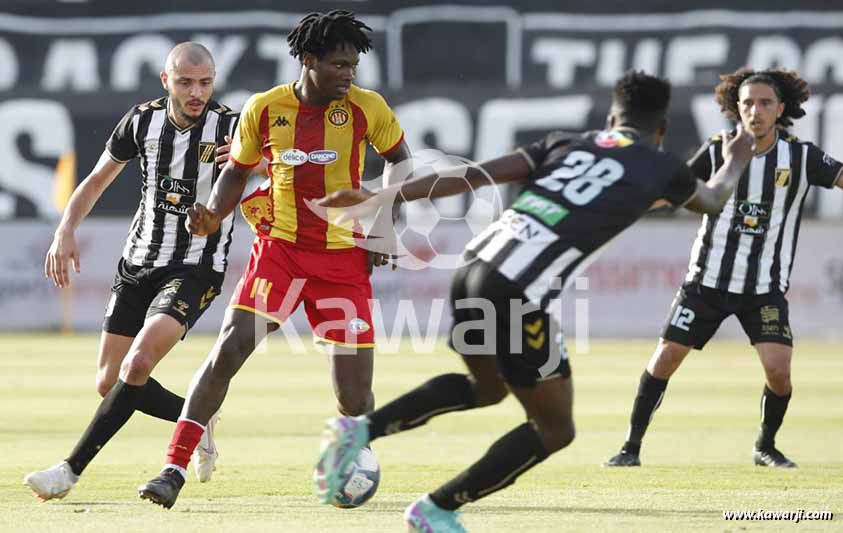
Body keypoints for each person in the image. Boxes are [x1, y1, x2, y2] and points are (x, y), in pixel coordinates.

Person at [311, 71, 755, 532]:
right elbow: (714, 197)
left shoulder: (568, 144)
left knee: (486, 389)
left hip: (472, 270)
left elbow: (474, 175)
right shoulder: (661, 166)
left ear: (610, 118)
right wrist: (736, 157)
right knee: (555, 428)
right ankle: (436, 509)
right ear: (660, 131)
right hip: (518, 291)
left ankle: (358, 430)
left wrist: (380, 193)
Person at [138, 10, 410, 509]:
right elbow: (236, 172)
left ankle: (353, 457)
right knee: (227, 351)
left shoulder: (368, 108)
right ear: (309, 60)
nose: (348, 75)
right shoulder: (265, 108)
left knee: (354, 398)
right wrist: (214, 214)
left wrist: (387, 227)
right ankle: (173, 468)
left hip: (343, 262)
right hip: (279, 252)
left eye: (353, 66)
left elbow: (401, 162)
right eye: (339, 65)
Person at [23, 43, 243, 501]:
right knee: (109, 381)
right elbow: (98, 179)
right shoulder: (142, 120)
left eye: (204, 82)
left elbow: (263, 179)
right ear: (166, 81)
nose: (196, 92)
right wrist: (65, 230)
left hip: (196, 266)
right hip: (138, 262)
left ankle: (68, 471)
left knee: (137, 362)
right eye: (185, 82)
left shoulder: (232, 128)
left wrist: (252, 167)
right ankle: (197, 418)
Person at [604, 68, 843, 470]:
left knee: (778, 371)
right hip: (706, 283)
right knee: (665, 359)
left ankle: (765, 446)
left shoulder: (801, 157)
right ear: (736, 108)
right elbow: (673, 191)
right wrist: (628, 205)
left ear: (781, 109)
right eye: (748, 103)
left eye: (765, 103)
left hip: (763, 288)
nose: (756, 110)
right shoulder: (717, 149)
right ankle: (630, 447)